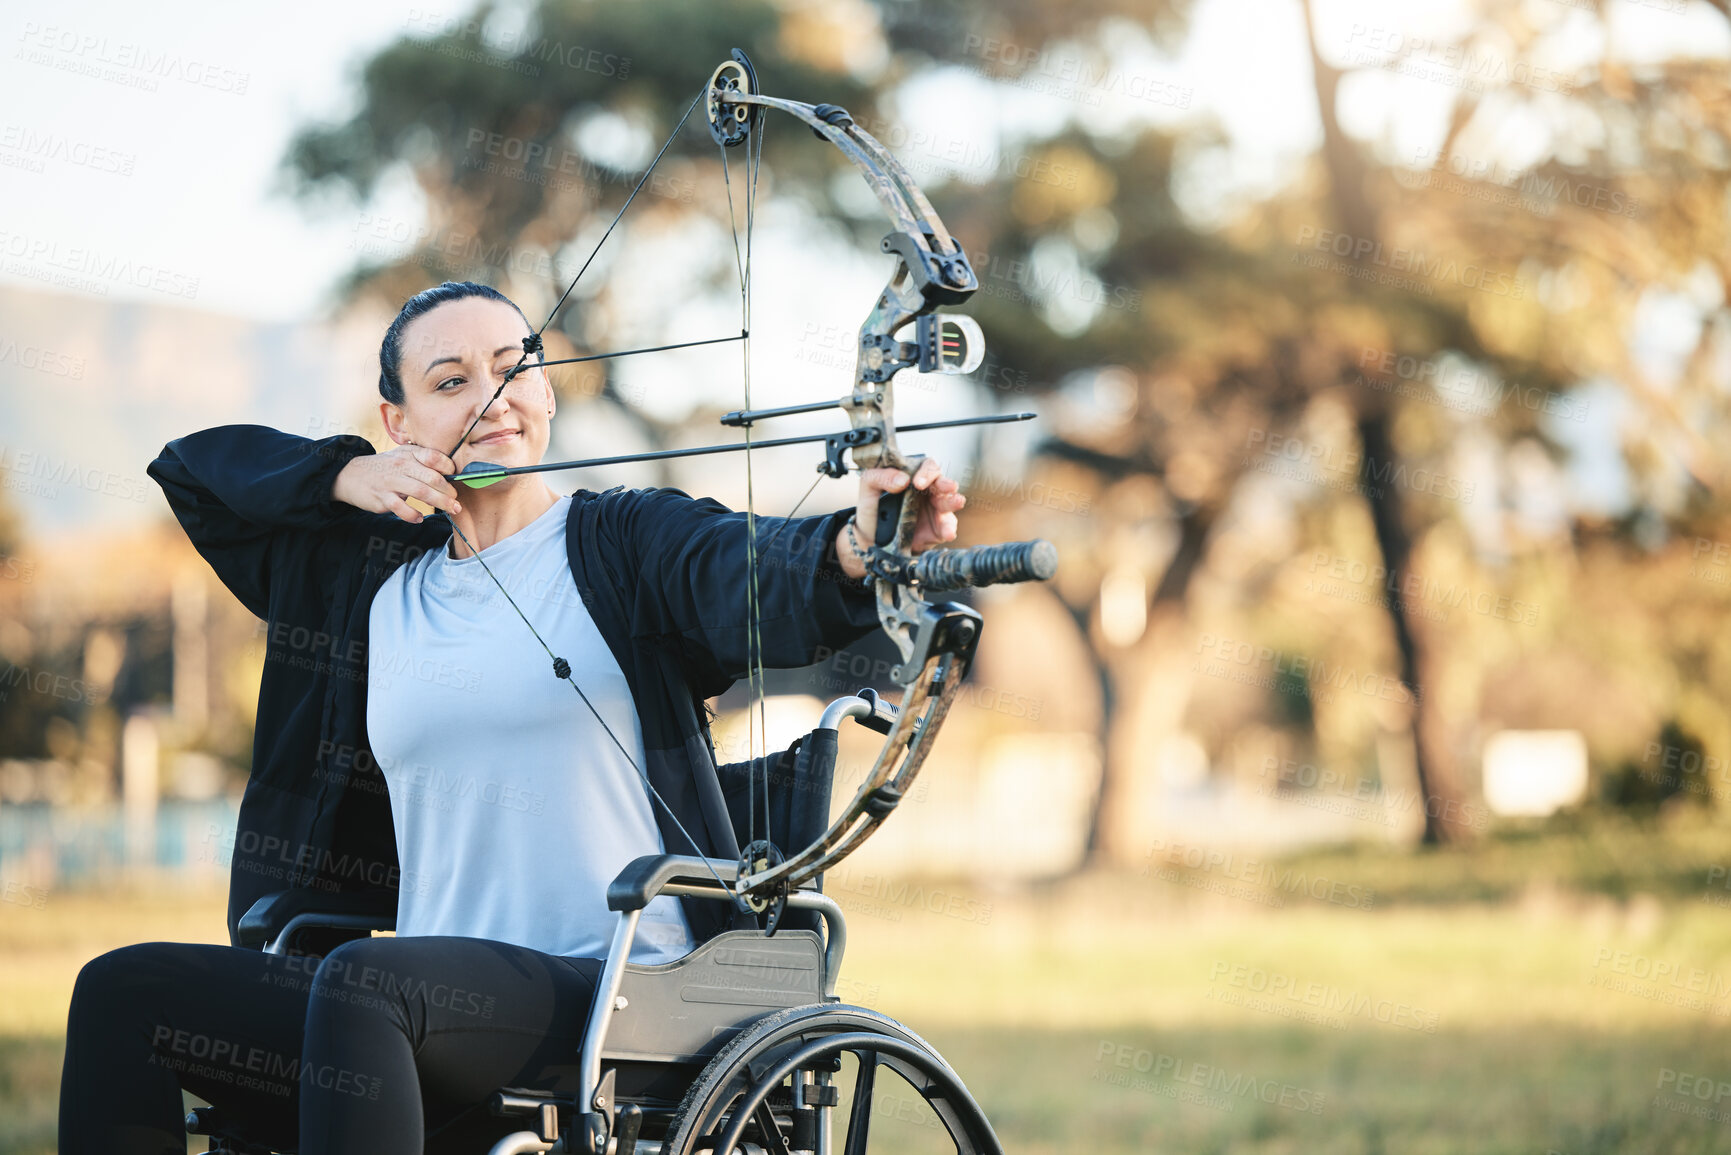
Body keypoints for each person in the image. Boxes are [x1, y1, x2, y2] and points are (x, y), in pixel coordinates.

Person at [59, 280, 965, 1154]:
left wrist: (857, 546)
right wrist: (342, 476)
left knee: (367, 986)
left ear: (545, 391)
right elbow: (197, 472)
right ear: (398, 425)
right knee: (123, 990)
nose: (491, 396)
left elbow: (747, 570)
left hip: (614, 990)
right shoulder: (367, 582)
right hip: (401, 1002)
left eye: (512, 366)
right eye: (450, 382)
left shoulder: (623, 542)